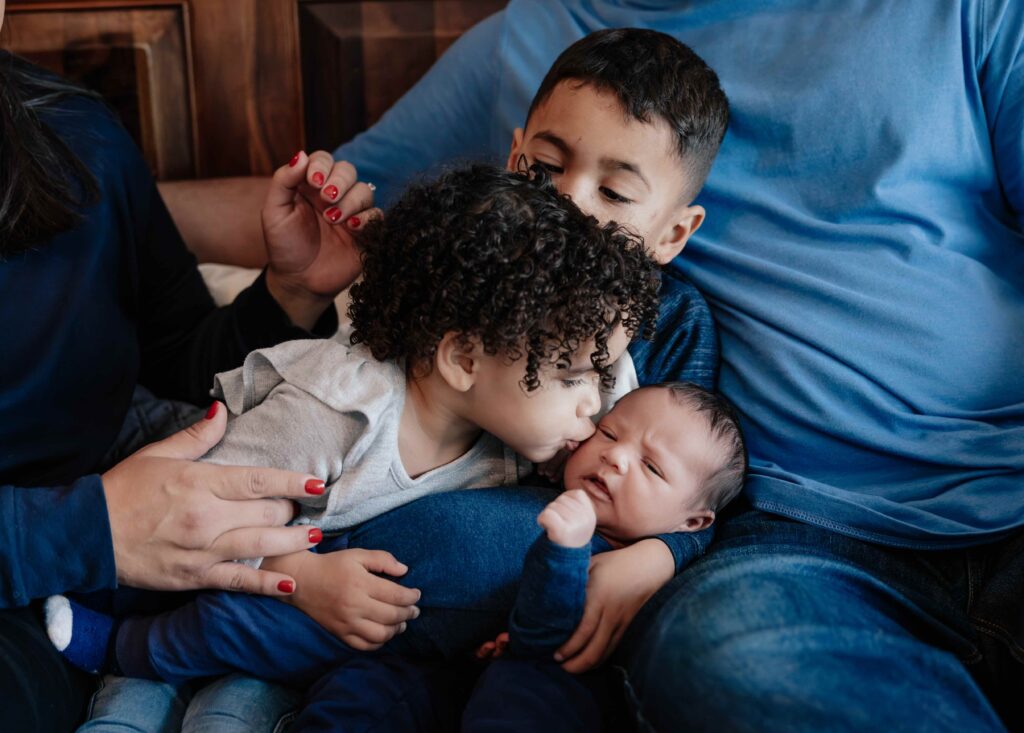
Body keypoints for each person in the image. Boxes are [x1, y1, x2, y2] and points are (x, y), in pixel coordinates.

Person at [166, 25, 735, 731]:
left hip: (525, 616)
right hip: (349, 579)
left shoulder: (672, 326)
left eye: (615, 191)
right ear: (514, 155)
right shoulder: (466, 270)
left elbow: (702, 481)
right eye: (546, 168)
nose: (570, 203)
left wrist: (658, 553)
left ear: (675, 234)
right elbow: (329, 407)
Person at [44, 161, 663, 686]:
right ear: (465, 360)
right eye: (574, 377)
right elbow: (188, 515)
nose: (595, 406)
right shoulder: (334, 415)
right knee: (209, 617)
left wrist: (661, 549)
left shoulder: (521, 428)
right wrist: (301, 578)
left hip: (318, 582)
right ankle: (115, 645)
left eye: (600, 376)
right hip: (185, 538)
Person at [0, 17, 395, 731]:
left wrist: (290, 291)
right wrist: (87, 529)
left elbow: (178, 352)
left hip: (67, 589)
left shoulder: (74, 132)